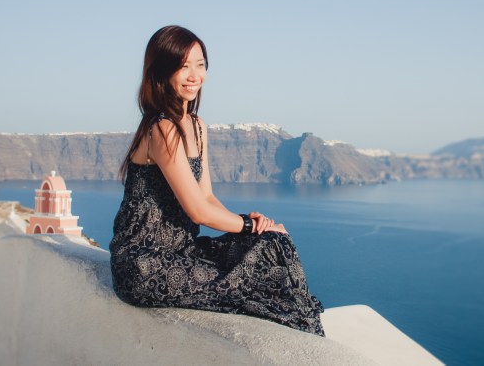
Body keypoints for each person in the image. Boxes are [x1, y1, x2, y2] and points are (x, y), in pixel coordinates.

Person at [109, 25, 324, 336]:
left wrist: (251, 224)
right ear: (162, 71)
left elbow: (207, 198)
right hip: (143, 265)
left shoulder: (197, 126)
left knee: (273, 244)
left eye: (200, 65)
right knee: (258, 275)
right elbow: (198, 212)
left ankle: (308, 336)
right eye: (184, 67)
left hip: (182, 252)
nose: (195, 75)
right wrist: (250, 226)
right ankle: (306, 336)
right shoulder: (161, 129)